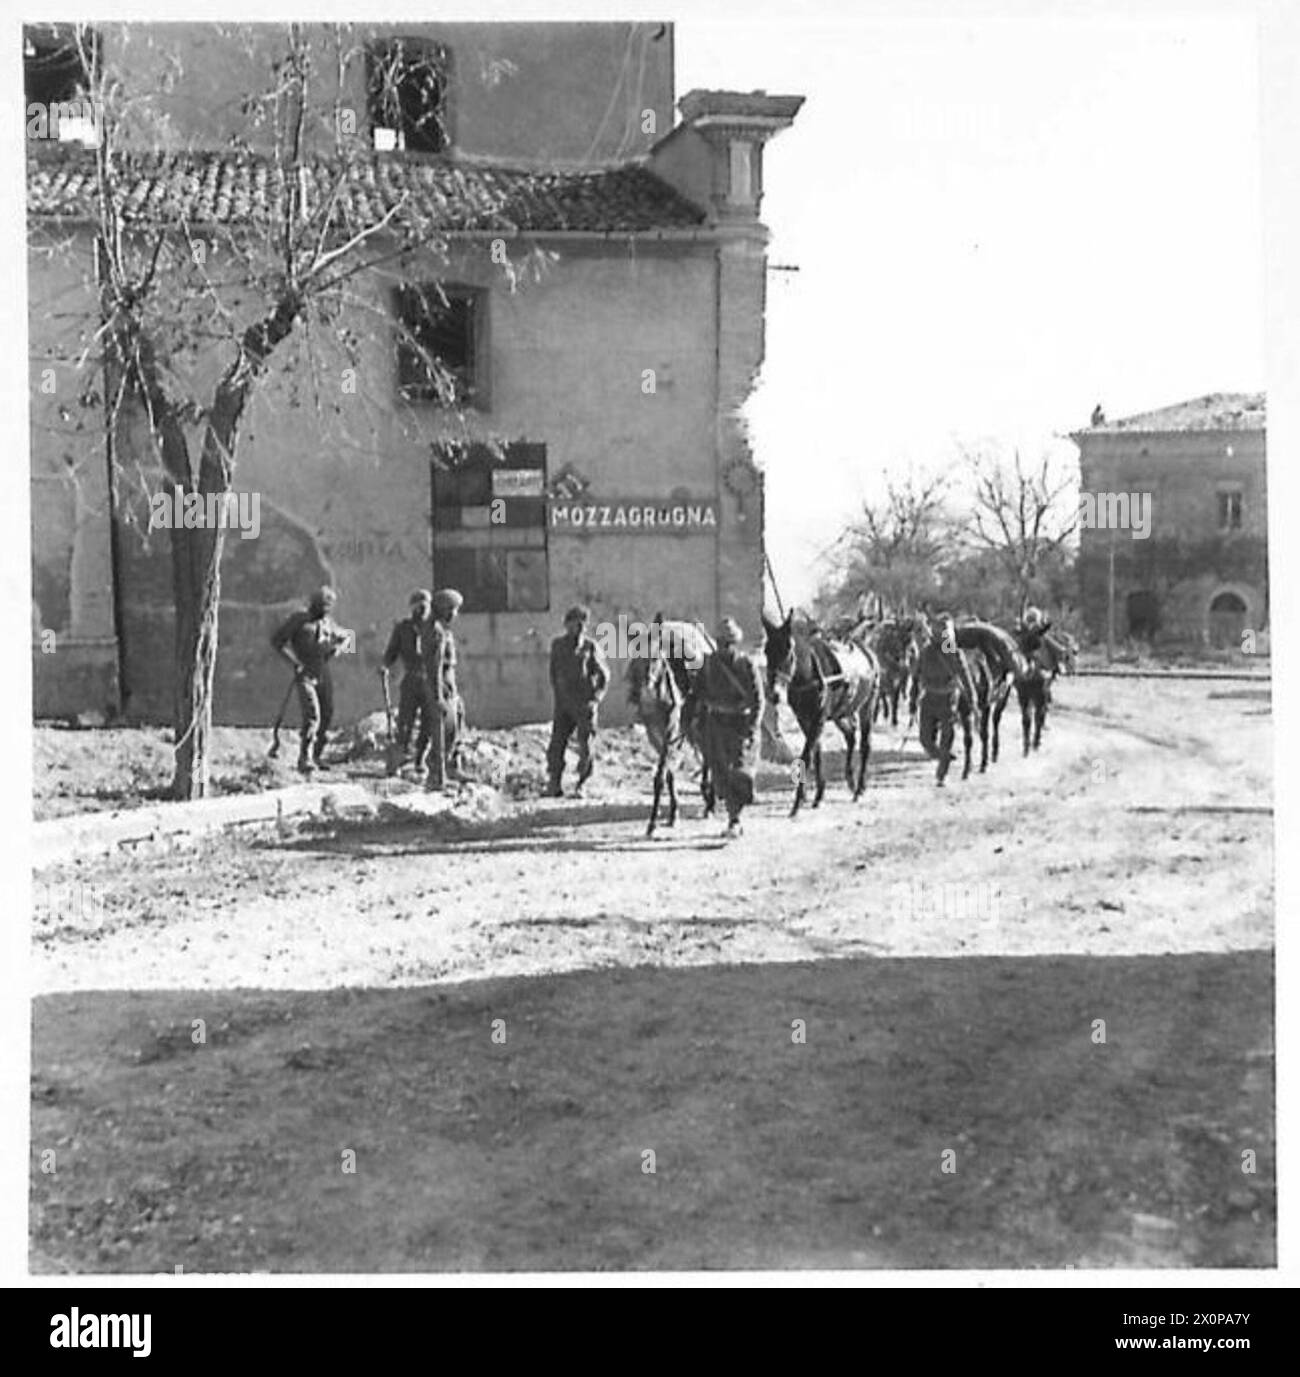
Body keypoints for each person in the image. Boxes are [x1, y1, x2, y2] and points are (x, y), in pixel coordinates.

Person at [696, 616, 765, 837]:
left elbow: (758, 700)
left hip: (740, 725)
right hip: (716, 725)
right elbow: (698, 693)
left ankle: (735, 819)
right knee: (721, 773)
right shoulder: (708, 664)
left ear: (734, 643)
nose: (722, 647)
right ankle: (731, 814)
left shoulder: (746, 664)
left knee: (738, 772)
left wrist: (752, 726)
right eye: (720, 643)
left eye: (726, 643)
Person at [271, 585, 346, 775]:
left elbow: (347, 638)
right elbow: (277, 641)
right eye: (322, 605)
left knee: (327, 713)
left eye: (329, 606)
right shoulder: (299, 620)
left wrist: (339, 648)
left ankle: (317, 755)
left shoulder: (328, 623)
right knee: (312, 715)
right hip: (305, 673)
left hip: (323, 672)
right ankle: (305, 757)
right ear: (314, 603)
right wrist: (294, 662)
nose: (325, 609)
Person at [545, 605, 609, 797]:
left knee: (586, 746)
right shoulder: (557, 645)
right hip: (564, 705)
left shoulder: (590, 647)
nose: (579, 627)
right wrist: (560, 696)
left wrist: (596, 698)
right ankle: (554, 783)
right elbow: (553, 673)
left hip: (584, 705)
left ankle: (582, 783)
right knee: (557, 745)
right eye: (575, 623)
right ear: (566, 625)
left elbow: (604, 675)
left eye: (582, 623)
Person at [908, 610, 977, 787]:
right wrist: (912, 700)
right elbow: (916, 677)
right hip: (929, 697)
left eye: (945, 631)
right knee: (925, 739)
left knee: (947, 736)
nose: (941, 634)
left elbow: (964, 674)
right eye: (939, 630)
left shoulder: (950, 649)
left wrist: (972, 698)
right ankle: (943, 756)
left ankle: (942, 772)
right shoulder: (926, 651)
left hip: (948, 698)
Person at [381, 589, 437, 776]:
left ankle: (420, 759)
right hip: (411, 680)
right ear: (412, 608)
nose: (422, 609)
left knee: (429, 722)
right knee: (405, 721)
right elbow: (392, 651)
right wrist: (384, 665)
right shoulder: (403, 629)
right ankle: (398, 760)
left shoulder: (435, 629)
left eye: (425, 605)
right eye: (418, 606)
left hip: (430, 681)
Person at [429, 587, 466, 782]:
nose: (455, 614)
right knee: (446, 732)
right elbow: (434, 667)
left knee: (457, 724)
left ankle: (453, 766)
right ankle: (436, 773)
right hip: (443, 686)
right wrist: (438, 696)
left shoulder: (444, 631)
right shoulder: (436, 632)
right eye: (453, 609)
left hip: (450, 686)